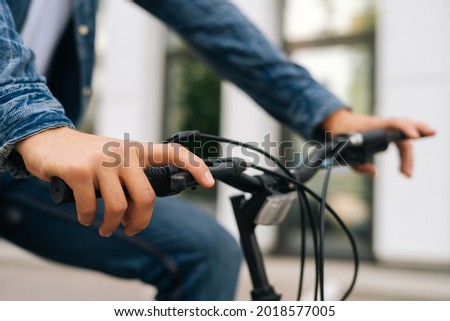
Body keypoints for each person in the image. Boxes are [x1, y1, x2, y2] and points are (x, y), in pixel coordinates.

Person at [0, 0, 434, 300]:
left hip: (36, 167)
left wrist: (326, 113)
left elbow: (210, 19)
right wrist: (36, 122)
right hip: (36, 137)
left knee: (208, 251)